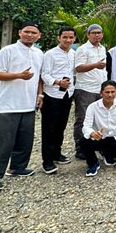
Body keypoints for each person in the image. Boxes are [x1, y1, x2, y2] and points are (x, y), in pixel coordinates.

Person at [0, 22, 44, 193]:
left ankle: (17, 167)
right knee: (2, 142)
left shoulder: (39, 53)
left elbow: (39, 77)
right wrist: (18, 76)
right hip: (8, 105)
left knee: (25, 140)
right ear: (19, 33)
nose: (30, 35)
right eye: (27, 32)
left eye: (34, 33)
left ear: (39, 36)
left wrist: (40, 95)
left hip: (28, 103)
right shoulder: (7, 51)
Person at [40, 26, 76, 174]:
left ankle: (57, 153)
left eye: (71, 37)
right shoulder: (50, 54)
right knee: (49, 128)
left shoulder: (74, 54)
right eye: (65, 37)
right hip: (52, 95)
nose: (68, 40)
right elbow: (44, 75)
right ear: (59, 38)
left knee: (61, 126)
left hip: (67, 95)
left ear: (74, 39)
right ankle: (47, 161)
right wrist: (57, 82)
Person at [73, 23, 107, 159]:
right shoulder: (82, 49)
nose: (97, 35)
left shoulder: (102, 48)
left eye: (99, 33)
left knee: (98, 119)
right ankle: (80, 148)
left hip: (99, 89)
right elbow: (78, 68)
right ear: (88, 35)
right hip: (85, 89)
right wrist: (95, 65)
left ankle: (96, 146)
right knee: (82, 119)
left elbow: (103, 69)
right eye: (94, 33)